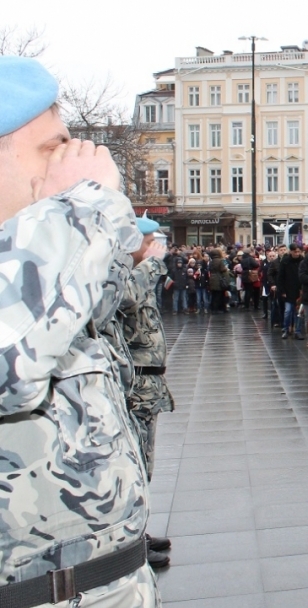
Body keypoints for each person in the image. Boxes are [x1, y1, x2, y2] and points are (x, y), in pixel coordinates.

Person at [0, 55, 159, 605]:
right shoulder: (57, 239)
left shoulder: (35, 265)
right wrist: (82, 203)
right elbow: (10, 360)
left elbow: (94, 306)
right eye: (51, 148)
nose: (71, 162)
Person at [119, 216, 174, 569]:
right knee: (134, 466)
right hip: (134, 385)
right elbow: (127, 299)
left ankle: (138, 533)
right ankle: (129, 543)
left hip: (147, 385)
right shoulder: (123, 275)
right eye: (149, 242)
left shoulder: (139, 274)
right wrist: (152, 262)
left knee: (144, 465)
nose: (156, 248)